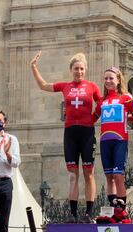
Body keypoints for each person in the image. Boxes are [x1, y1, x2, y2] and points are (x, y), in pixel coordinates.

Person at [30, 51, 101, 222]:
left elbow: (102, 102)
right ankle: (73, 213)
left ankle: (89, 213)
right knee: (72, 174)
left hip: (87, 132)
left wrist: (94, 117)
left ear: (85, 70)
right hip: (70, 133)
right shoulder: (65, 86)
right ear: (71, 70)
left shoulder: (92, 86)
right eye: (76, 68)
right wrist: (33, 67)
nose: (79, 72)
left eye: (82, 69)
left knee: (88, 173)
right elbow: (43, 85)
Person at [95, 66, 133, 218]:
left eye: (111, 78)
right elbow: (93, 117)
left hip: (120, 140)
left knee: (118, 176)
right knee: (109, 177)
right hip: (105, 141)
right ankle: (112, 209)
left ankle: (122, 209)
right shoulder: (102, 101)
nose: (108, 81)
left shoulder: (126, 97)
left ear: (118, 80)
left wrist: (129, 118)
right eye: (106, 78)